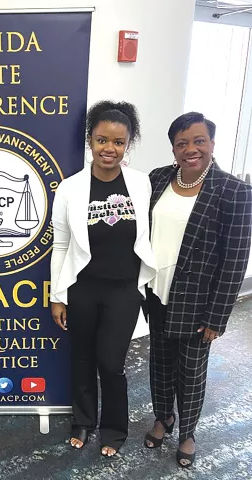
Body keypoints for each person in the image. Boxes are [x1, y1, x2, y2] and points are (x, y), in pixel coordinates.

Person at [144, 112, 252, 467]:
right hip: (156, 291)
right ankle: (164, 417)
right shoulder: (158, 178)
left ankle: (188, 432)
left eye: (199, 141)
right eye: (182, 143)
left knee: (190, 371)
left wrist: (217, 317)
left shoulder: (235, 192)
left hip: (198, 302)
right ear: (173, 148)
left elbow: (235, 260)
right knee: (159, 363)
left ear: (212, 144)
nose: (191, 149)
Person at [50, 101, 156, 456]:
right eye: (101, 140)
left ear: (128, 144)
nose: (109, 149)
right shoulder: (70, 188)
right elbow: (61, 243)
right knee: (81, 358)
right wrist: (58, 294)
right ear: (90, 141)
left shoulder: (141, 185)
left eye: (118, 142)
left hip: (124, 290)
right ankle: (83, 420)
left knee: (111, 363)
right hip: (83, 288)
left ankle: (113, 427)